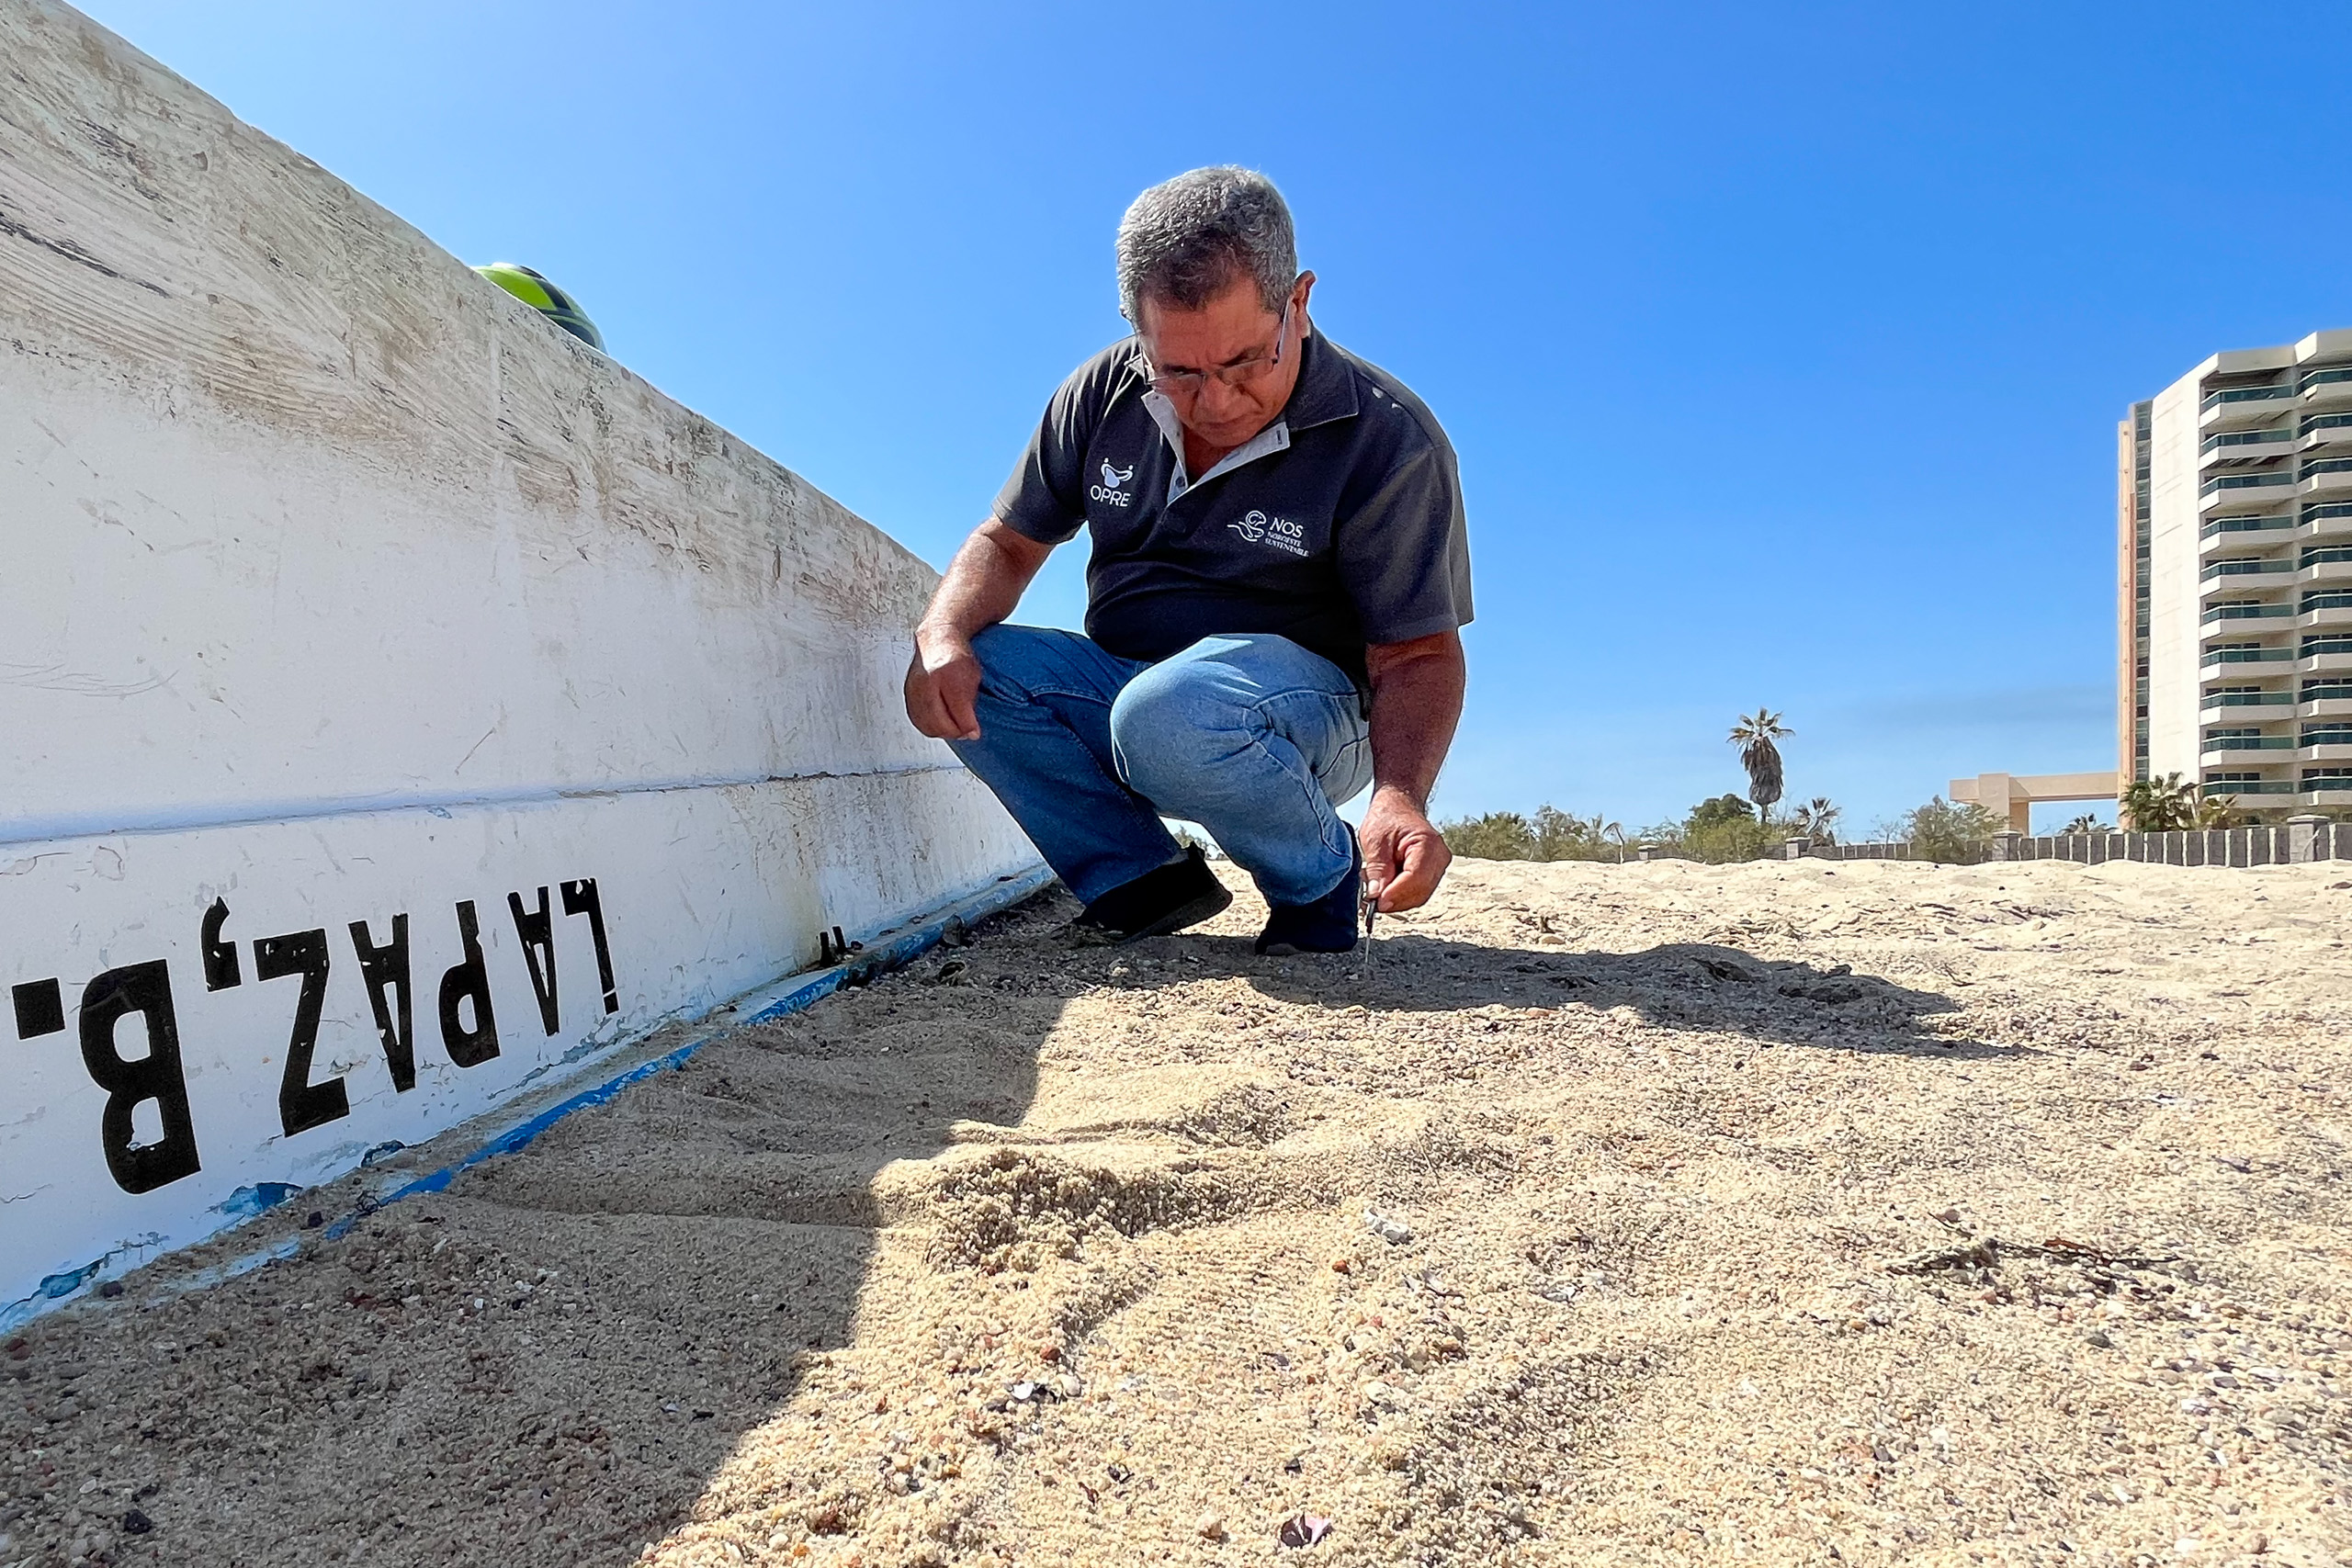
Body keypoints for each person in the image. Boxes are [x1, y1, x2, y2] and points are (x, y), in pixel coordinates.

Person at [903, 167, 1471, 954]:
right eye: (1179, 371)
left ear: (1298, 305)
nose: (1215, 402)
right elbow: (1007, 543)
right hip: (1137, 680)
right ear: (1138, 332)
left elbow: (1417, 653)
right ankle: (1142, 877)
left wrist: (1401, 795)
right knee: (977, 668)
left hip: (1307, 718)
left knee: (1173, 712)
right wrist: (940, 634)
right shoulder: (1099, 394)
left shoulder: (1390, 441)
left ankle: (1319, 878)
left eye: (1245, 362)